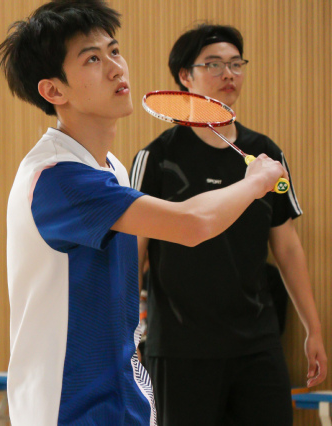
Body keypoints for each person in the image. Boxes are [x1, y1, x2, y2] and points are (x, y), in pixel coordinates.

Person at [0, 2, 288, 424]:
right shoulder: (58, 178)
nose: (117, 68)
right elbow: (191, 224)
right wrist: (255, 181)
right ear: (54, 91)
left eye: (114, 51)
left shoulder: (111, 167)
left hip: (124, 397)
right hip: (66, 407)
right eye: (92, 59)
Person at [129, 23, 327, 426]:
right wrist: (126, 335)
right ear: (185, 76)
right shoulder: (156, 158)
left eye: (236, 64)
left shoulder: (266, 155)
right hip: (180, 348)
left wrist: (314, 328)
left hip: (257, 344)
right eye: (214, 64)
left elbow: (287, 246)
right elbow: (133, 254)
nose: (229, 74)